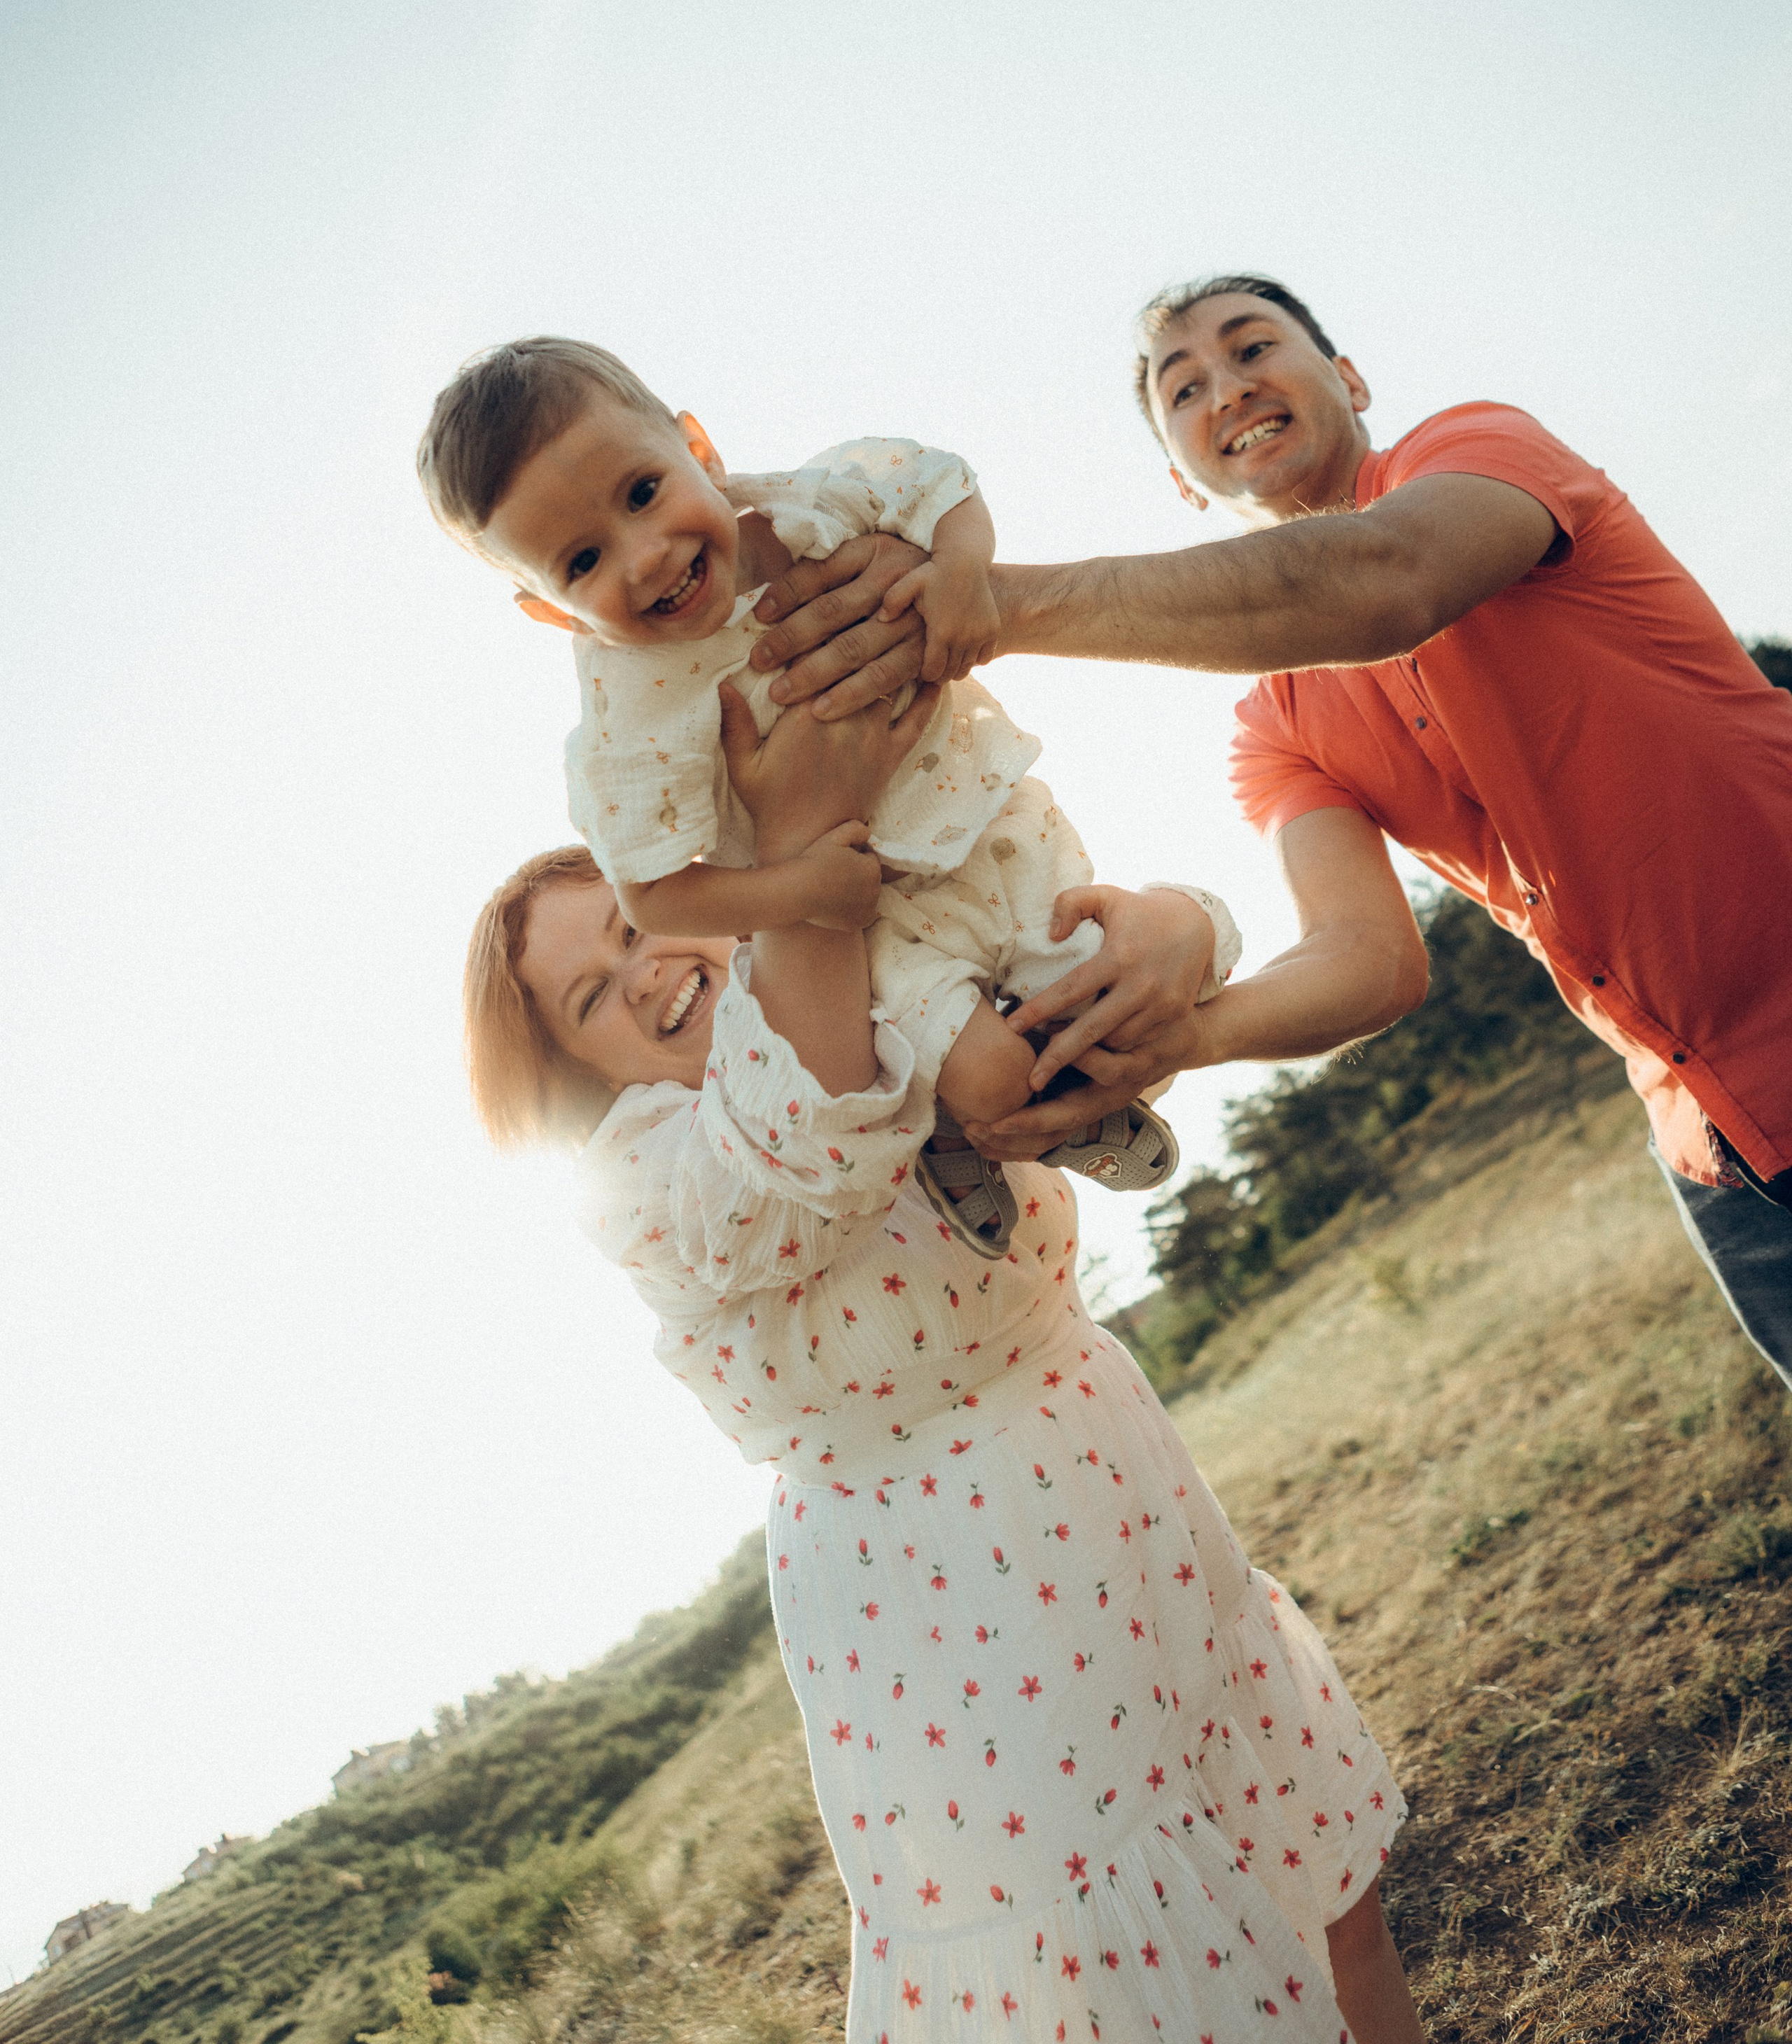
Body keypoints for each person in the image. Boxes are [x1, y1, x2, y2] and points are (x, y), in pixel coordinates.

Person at [462, 686, 1427, 2043]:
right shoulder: (650, 1176)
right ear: (574, 1070)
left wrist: (1174, 924)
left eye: (634, 921)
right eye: (588, 994)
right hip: (947, 1595)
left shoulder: (861, 975)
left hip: (1101, 1454)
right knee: (1132, 1984)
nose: (640, 972)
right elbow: (808, 1124)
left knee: (1311, 1882)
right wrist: (804, 873)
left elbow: (1051, 937)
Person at [743, 274, 1792, 1387]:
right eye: (1183, 387)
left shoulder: (1479, 448)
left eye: (1253, 349)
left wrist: (988, 603)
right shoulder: (1274, 727)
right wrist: (1183, 1036)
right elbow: (1369, 959)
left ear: (1347, 379)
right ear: (1182, 480)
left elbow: (1388, 578)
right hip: (1718, 1147)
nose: (1227, 388)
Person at [418, 336, 1241, 1246]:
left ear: (698, 448)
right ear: (548, 612)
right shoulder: (623, 722)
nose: (645, 558)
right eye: (582, 562)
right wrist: (795, 891)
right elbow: (647, 888)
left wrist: (963, 574)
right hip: (875, 915)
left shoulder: (811, 502)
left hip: (985, 821)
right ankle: (965, 1130)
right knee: (992, 1082)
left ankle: (1028, 1116)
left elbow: (942, 487)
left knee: (1112, 1002)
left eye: (643, 492)